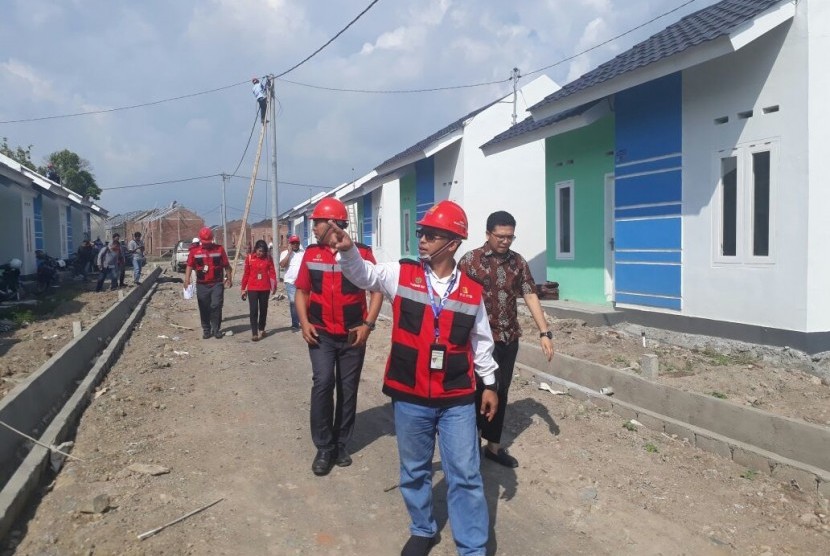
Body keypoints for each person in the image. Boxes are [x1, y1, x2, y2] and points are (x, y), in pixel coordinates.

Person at [329, 200, 499, 556]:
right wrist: (348, 253)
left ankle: (472, 547)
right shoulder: (400, 273)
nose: (421, 239)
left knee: (465, 475)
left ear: (452, 243)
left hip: (455, 397)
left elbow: (481, 341)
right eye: (421, 232)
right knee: (414, 469)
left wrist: (490, 385)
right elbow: (365, 277)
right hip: (409, 393)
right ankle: (423, 529)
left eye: (431, 234)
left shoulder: (471, 290)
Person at [294, 197, 384, 477]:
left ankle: (341, 443)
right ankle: (324, 446)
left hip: (352, 335)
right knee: (323, 383)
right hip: (320, 334)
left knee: (348, 388)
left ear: (332, 223)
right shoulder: (312, 254)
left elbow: (377, 290)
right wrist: (304, 322)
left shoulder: (362, 254)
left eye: (317, 222)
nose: (314, 228)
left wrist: (368, 325)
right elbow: (302, 291)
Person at [459, 210, 555, 469]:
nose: (505, 241)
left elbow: (530, 294)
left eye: (510, 237)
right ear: (488, 234)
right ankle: (468, 446)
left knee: (500, 390)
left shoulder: (518, 262)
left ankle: (493, 446)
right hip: (477, 340)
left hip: (508, 338)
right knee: (475, 391)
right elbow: (456, 299)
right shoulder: (470, 261)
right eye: (500, 236)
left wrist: (544, 332)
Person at [183, 227, 232, 339]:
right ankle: (206, 329)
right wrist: (187, 280)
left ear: (212, 239)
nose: (207, 244)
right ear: (200, 240)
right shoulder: (194, 251)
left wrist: (229, 278)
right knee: (204, 307)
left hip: (217, 283)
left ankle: (216, 329)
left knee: (216, 305)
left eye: (208, 242)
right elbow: (189, 265)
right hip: (202, 284)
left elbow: (226, 265)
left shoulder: (219, 249)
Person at [241, 239, 277, 341]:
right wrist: (243, 289)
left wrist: (274, 286)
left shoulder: (268, 258)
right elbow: (246, 274)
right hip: (252, 288)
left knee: (263, 309)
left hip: (265, 288)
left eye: (263, 251)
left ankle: (261, 329)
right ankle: (254, 333)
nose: (260, 253)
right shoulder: (249, 258)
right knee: (253, 310)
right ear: (255, 249)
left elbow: (272, 272)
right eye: (259, 251)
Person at [279, 234, 304, 330]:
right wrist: (289, 253)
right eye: (293, 243)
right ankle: (295, 323)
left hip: (301, 281)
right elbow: (282, 265)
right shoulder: (285, 253)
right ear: (290, 243)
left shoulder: (303, 253)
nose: (295, 244)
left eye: (297, 242)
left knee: (302, 302)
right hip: (290, 282)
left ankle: (303, 321)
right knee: (293, 302)